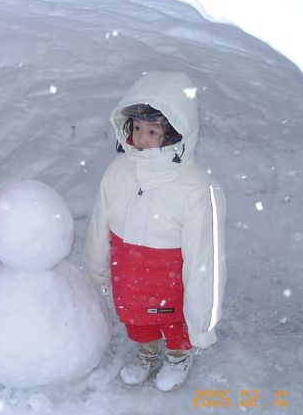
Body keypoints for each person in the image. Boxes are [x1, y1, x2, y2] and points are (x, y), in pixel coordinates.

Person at [84, 71, 226, 391]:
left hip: (170, 278)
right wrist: (97, 270)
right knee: (134, 316)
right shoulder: (117, 172)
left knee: (173, 321)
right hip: (128, 271)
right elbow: (99, 224)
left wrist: (202, 323)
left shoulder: (196, 188)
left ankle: (178, 353)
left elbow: (206, 260)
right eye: (136, 128)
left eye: (152, 130)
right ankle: (147, 350)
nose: (143, 138)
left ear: (177, 135)